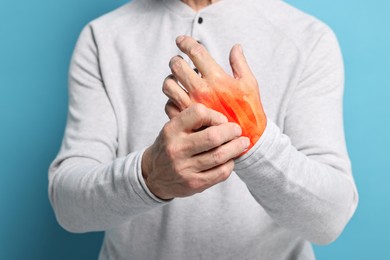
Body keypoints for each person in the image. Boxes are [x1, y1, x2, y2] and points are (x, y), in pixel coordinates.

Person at [48, 0, 359, 259]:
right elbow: (69, 208)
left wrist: (252, 138)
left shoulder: (308, 38)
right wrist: (149, 176)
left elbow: (328, 220)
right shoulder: (102, 37)